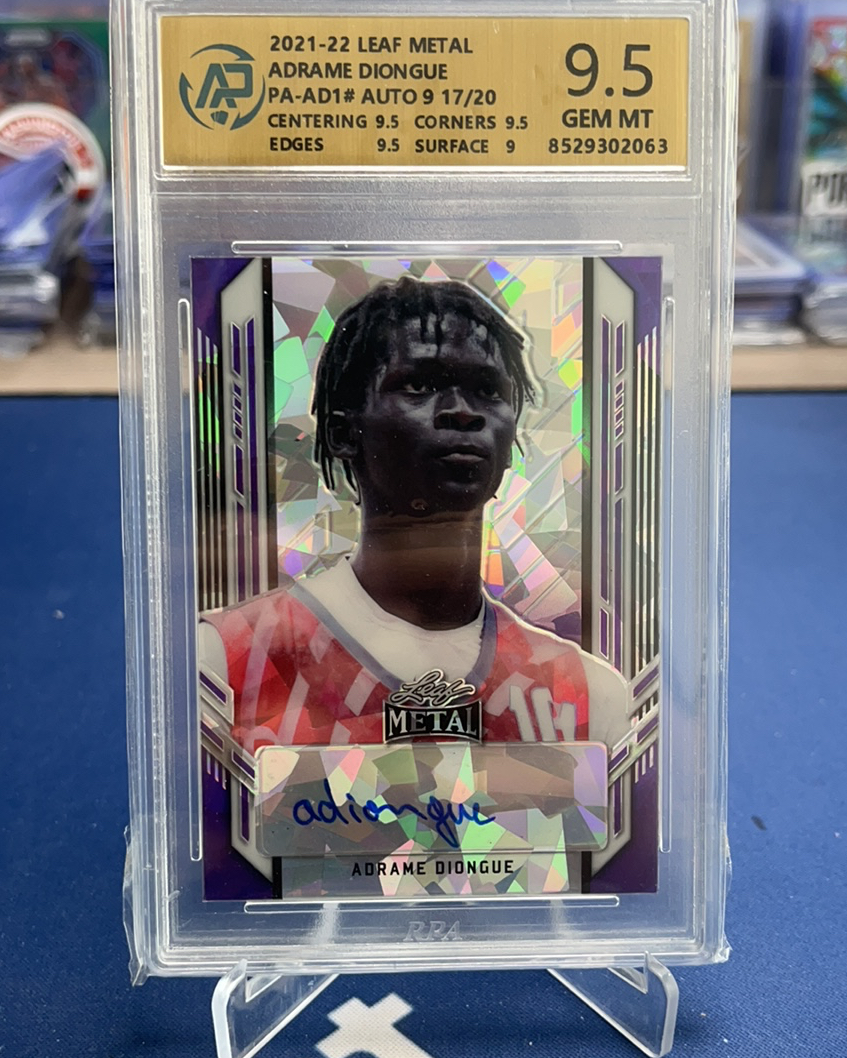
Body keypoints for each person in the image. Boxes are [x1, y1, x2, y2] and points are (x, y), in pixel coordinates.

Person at [198, 274, 630, 755]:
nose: (463, 412)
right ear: (342, 433)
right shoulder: (225, 664)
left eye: (488, 390)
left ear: (510, 442)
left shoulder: (586, 697)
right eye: (420, 384)